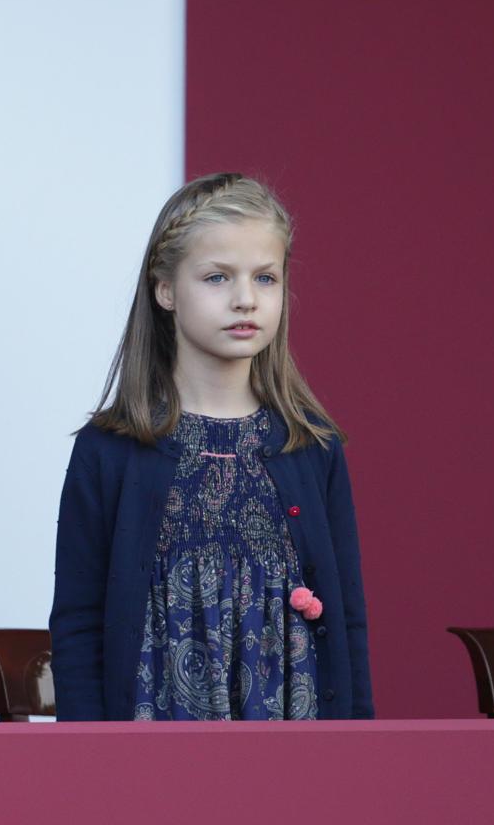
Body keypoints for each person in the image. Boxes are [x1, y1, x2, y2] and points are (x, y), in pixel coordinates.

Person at [49, 173, 372, 721]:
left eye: (265, 278)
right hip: (151, 748)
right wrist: (89, 755)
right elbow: (78, 623)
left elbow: (347, 619)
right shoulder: (110, 450)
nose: (246, 299)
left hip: (293, 747)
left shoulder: (311, 446)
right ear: (165, 290)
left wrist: (356, 745)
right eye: (217, 277)